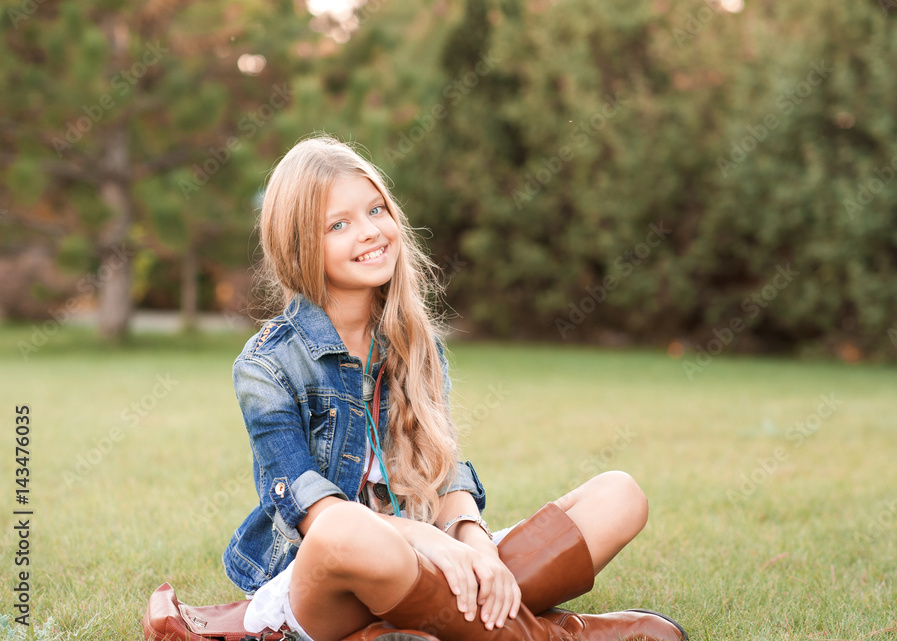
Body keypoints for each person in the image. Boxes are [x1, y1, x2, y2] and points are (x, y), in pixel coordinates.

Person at [222, 134, 687, 641]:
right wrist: (432, 541)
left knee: (620, 495)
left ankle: (414, 628)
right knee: (346, 528)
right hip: (324, 581)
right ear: (299, 245)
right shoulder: (266, 365)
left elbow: (441, 473)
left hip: (431, 559)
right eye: (339, 224)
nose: (370, 232)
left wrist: (474, 542)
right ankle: (554, 635)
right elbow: (315, 515)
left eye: (377, 210)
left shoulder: (414, 342)